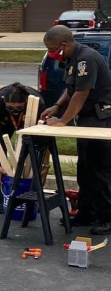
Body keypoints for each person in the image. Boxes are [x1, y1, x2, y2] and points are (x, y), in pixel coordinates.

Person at [40, 25, 111, 235]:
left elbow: (81, 94)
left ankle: (106, 218)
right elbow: (70, 90)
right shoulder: (71, 59)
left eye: (53, 50)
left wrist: (62, 122)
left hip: (101, 119)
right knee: (85, 170)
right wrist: (57, 106)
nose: (52, 54)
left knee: (101, 171)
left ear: (64, 44)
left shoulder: (86, 59)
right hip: (87, 119)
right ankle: (86, 213)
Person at [0, 82, 46, 214]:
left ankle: (35, 198)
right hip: (4, 123)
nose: (14, 110)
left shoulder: (37, 103)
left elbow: (45, 140)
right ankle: (1, 199)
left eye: (18, 107)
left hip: (29, 121)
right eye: (10, 107)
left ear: (25, 102)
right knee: (0, 151)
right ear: (4, 103)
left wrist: (44, 167)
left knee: (34, 154)